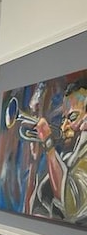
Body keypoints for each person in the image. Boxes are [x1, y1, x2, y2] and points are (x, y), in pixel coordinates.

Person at [33, 80, 87, 224]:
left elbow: (70, 204)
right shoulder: (70, 157)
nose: (64, 127)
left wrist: (49, 146)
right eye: (64, 119)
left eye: (73, 118)